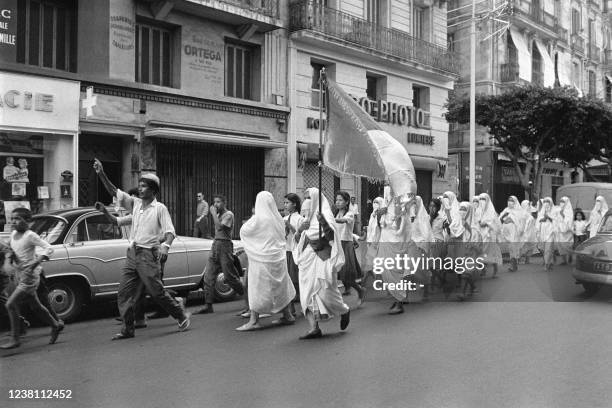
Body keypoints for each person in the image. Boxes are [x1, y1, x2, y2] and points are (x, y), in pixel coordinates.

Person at [95, 173, 191, 339]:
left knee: (156, 292)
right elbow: (113, 192)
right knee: (124, 293)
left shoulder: (160, 208)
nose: (140, 189)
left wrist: (166, 247)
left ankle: (180, 315)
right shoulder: (136, 205)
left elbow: (170, 232)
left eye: (144, 186)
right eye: (139, 185)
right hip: (132, 253)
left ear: (153, 190)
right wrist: (101, 173)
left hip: (148, 255)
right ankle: (128, 329)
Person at [94, 159, 154, 325]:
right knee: (135, 289)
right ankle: (136, 320)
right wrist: (105, 211)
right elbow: (116, 221)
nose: (130, 203)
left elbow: (165, 234)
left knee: (152, 290)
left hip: (150, 254)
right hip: (134, 253)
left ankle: (174, 306)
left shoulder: (156, 211)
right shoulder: (132, 215)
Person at [1, 207, 63, 349]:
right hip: (19, 275)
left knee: (10, 304)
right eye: (12, 219)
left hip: (29, 276)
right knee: (36, 306)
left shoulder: (30, 235)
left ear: (27, 221)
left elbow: (49, 248)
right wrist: (10, 255)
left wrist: (35, 263)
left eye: (17, 219)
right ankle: (55, 324)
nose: (14, 222)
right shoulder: (14, 234)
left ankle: (15, 339)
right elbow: (11, 247)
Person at [294, 188, 350, 339]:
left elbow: (333, 237)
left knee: (326, 292)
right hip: (307, 259)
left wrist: (323, 223)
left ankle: (344, 310)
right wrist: (300, 231)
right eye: (305, 197)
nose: (306, 200)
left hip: (323, 257)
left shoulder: (325, 215)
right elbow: (299, 239)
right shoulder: (306, 217)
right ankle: (314, 328)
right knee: (306, 294)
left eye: (309, 197)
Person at [237, 191, 296, 331]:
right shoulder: (278, 219)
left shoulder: (258, 219)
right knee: (280, 287)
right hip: (278, 258)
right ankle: (287, 315)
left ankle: (254, 320)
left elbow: (244, 231)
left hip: (261, 260)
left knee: (257, 288)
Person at [196, 194, 244, 314]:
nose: (215, 204)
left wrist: (212, 213)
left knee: (229, 276)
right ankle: (208, 305)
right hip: (216, 244)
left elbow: (219, 227)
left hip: (225, 246)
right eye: (214, 202)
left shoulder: (229, 214)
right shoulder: (218, 214)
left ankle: (248, 296)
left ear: (224, 203)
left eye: (218, 202)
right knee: (208, 276)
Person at [377, 187, 411, 314]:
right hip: (385, 240)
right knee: (385, 270)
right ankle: (396, 299)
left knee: (395, 272)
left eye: (390, 190)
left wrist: (398, 214)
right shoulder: (385, 206)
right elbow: (381, 225)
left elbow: (401, 228)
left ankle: (399, 302)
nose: (388, 193)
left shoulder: (401, 204)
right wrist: (380, 214)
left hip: (396, 244)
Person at [334, 191, 365, 304]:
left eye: (340, 200)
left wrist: (329, 219)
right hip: (337, 244)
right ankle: (347, 288)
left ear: (346, 202)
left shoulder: (350, 214)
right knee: (339, 271)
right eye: (336, 200)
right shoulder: (336, 213)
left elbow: (343, 221)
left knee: (346, 271)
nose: (337, 202)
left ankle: (359, 289)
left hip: (346, 245)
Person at [408, 196, 433, 302]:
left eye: (415, 203)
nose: (413, 205)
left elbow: (427, 233)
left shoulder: (424, 217)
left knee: (423, 271)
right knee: (408, 270)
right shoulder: (409, 216)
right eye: (412, 203)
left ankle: (426, 292)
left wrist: (423, 246)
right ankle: (405, 296)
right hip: (410, 246)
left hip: (421, 247)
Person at [283, 193, 303, 317]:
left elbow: (300, 235)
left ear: (294, 204)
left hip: (295, 251)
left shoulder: (299, 218)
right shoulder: (285, 218)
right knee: (288, 279)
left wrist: (289, 226)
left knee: (295, 278)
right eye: (284, 203)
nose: (285, 205)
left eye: (287, 203)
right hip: (286, 250)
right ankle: (291, 308)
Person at [476, 193, 503, 278]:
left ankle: (495, 271)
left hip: (489, 236)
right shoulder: (478, 210)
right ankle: (483, 270)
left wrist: (487, 223)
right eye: (480, 199)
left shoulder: (491, 212)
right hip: (480, 235)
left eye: (483, 199)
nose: (482, 201)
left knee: (492, 254)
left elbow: (496, 225)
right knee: (480, 253)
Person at [499, 196, 526, 272]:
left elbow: (520, 221)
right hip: (507, 233)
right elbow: (500, 219)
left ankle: (513, 265)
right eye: (508, 200)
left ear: (515, 202)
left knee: (513, 248)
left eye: (512, 201)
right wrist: (505, 216)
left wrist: (511, 219)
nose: (509, 202)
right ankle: (514, 265)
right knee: (510, 249)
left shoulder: (518, 211)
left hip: (514, 233)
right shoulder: (506, 210)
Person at [363, 197, 384, 284]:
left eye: (377, 203)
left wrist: (376, 242)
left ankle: (376, 278)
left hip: (377, 241)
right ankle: (371, 276)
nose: (375, 204)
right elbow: (372, 227)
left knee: (375, 260)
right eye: (374, 202)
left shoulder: (381, 215)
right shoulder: (373, 214)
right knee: (371, 260)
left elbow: (380, 229)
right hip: (370, 240)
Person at [429, 198, 446, 291]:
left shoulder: (442, 219)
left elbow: (447, 231)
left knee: (432, 266)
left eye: (434, 206)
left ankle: (438, 281)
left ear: (438, 208)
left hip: (438, 243)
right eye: (430, 206)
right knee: (430, 266)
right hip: (429, 243)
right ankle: (438, 281)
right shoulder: (427, 218)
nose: (432, 208)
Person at [537, 197, 556, 271]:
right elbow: (539, 221)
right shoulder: (541, 211)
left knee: (548, 248)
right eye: (545, 201)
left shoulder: (554, 211)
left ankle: (546, 264)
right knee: (545, 249)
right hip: (543, 232)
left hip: (551, 232)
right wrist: (543, 219)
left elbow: (556, 221)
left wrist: (549, 217)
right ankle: (550, 262)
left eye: (547, 201)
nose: (546, 203)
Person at [554, 196, 574, 265]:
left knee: (567, 245)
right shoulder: (558, 209)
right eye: (561, 201)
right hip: (559, 230)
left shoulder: (569, 211)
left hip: (567, 232)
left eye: (563, 201)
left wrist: (563, 215)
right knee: (560, 245)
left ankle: (570, 255)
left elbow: (569, 222)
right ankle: (564, 260)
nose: (561, 203)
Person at [519, 200, 537, 264]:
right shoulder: (520, 214)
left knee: (530, 246)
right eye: (528, 204)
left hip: (531, 232)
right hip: (524, 232)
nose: (529, 206)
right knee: (522, 246)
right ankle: (519, 259)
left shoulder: (529, 213)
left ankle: (527, 259)